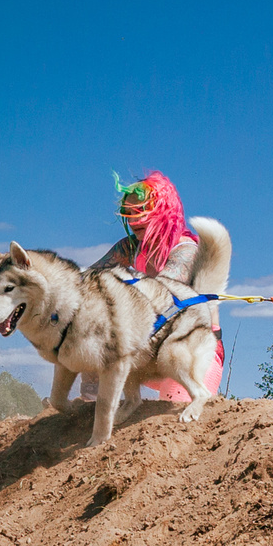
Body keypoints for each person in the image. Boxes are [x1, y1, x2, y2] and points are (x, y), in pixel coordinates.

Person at [91, 171, 222, 403]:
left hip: (191, 350)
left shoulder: (186, 251)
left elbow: (160, 296)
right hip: (150, 350)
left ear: (163, 212)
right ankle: (84, 408)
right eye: (128, 213)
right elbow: (85, 279)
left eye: (141, 212)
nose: (133, 221)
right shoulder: (129, 248)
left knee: (174, 411)